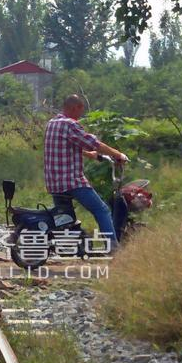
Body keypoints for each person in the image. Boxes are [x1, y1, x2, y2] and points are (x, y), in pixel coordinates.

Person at [44, 94, 128, 251]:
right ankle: (113, 247)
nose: (79, 116)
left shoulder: (52, 123)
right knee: (101, 210)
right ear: (74, 108)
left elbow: (65, 145)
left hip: (53, 182)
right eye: (79, 112)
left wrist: (89, 155)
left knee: (65, 218)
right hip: (71, 181)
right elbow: (95, 143)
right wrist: (118, 155)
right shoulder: (69, 124)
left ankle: (70, 247)